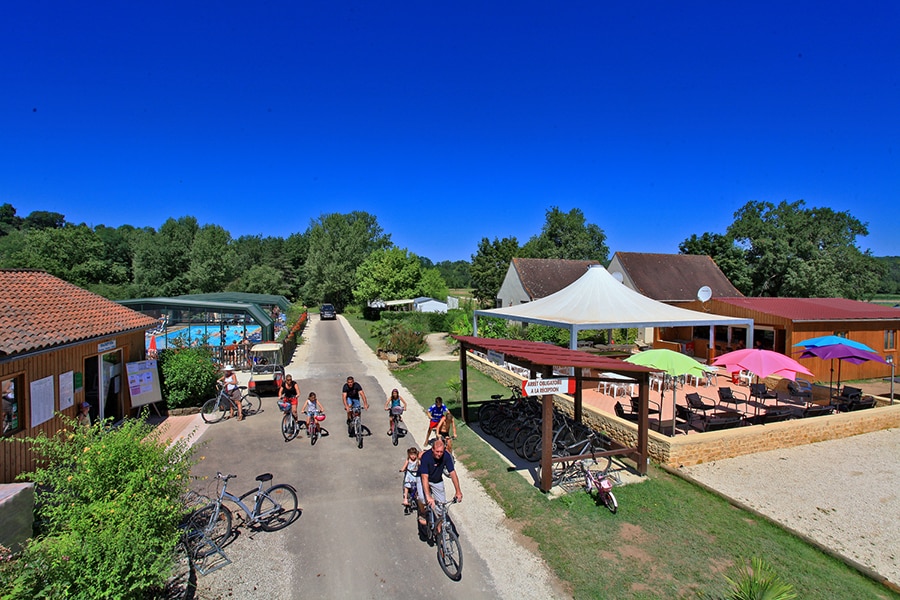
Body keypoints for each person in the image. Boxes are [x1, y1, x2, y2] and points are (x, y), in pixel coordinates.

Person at [417, 439, 462, 533]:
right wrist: (428, 497)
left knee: (442, 507)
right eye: (437, 451)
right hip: (423, 477)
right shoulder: (426, 457)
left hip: (436, 479)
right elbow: (424, 477)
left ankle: (439, 528)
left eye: (441, 451)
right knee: (422, 498)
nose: (439, 454)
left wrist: (458, 491)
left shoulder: (446, 456)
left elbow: (452, 473)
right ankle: (422, 512)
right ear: (432, 449)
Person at [398, 447, 419, 513]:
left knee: (418, 485)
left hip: (416, 475)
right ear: (409, 455)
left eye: (414, 455)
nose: (413, 456)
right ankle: (405, 499)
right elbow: (405, 466)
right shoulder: (408, 460)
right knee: (407, 486)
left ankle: (417, 495)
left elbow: (421, 465)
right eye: (411, 455)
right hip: (409, 475)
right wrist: (402, 469)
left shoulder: (418, 461)